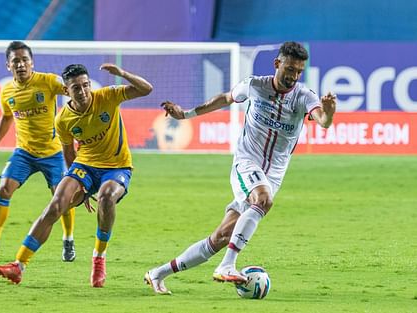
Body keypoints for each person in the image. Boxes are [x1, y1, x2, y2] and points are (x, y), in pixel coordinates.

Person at [144, 41, 336, 295]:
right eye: (289, 68)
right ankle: (228, 264)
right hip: (247, 163)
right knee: (263, 199)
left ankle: (158, 274)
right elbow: (225, 98)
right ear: (277, 64)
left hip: (274, 175)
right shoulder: (255, 85)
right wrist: (186, 114)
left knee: (221, 237)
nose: (293, 76)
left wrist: (330, 113)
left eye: (299, 71)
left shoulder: (304, 96)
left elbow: (322, 120)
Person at [0, 63, 153, 287]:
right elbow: (69, 153)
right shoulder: (63, 120)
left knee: (107, 197)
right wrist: (77, 184)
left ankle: (99, 259)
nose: (83, 91)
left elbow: (147, 89)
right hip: (84, 166)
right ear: (67, 91)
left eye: (86, 85)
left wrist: (123, 74)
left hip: (117, 166)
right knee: (56, 204)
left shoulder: (107, 96)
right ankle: (19, 265)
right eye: (76, 88)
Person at [0, 41, 77, 263]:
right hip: (24, 152)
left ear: (32, 62)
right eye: (16, 61)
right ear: (8, 66)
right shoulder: (7, 91)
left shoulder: (48, 81)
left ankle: (68, 239)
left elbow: (73, 92)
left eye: (24, 60)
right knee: (4, 189)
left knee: (62, 198)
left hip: (54, 153)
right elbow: (6, 116)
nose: (21, 64)